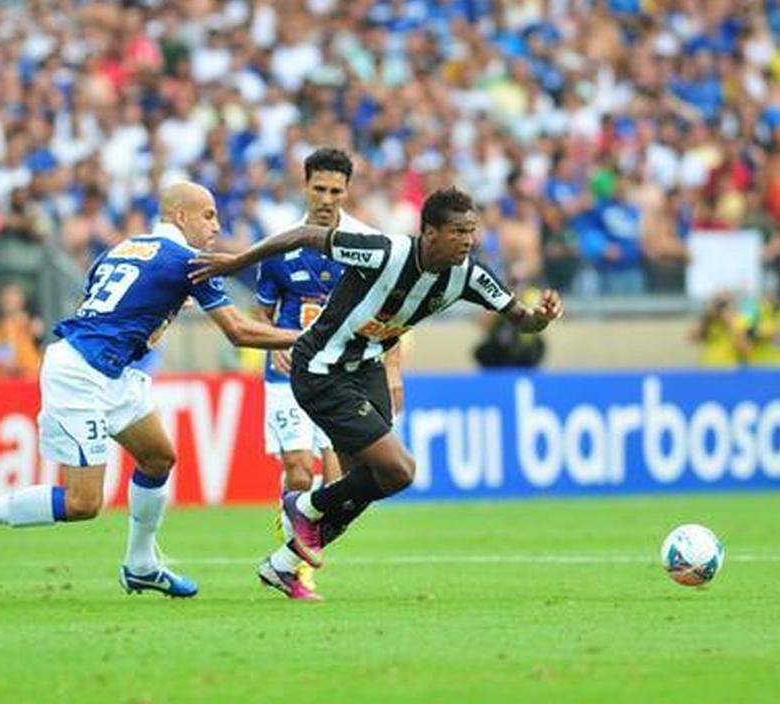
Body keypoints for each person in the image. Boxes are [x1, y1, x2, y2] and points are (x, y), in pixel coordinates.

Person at [190, 187, 563, 600]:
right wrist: (238, 263)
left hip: (367, 370)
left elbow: (520, 319)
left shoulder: (469, 275)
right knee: (399, 470)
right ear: (430, 232)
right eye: (458, 232)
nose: (468, 241)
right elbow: (303, 236)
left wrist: (541, 319)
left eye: (472, 232)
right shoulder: (385, 252)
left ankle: (283, 563)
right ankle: (305, 507)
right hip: (320, 369)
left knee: (363, 484)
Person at [0, 182, 300, 596]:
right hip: (82, 374)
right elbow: (238, 331)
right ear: (180, 216)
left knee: (158, 458)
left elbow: (111, 301)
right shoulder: (190, 261)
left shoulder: (124, 248)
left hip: (110, 371)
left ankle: (141, 565)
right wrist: (309, 336)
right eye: (208, 215)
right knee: (83, 503)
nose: (217, 225)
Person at [253, 147, 403, 593]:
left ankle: (292, 564)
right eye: (319, 188)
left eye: (336, 190)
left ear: (347, 191)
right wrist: (273, 344)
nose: (326, 197)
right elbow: (261, 313)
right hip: (288, 372)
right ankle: (290, 546)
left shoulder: (368, 245)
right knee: (299, 468)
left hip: (342, 374)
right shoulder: (279, 245)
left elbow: (390, 314)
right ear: (305, 187)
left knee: (337, 483)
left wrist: (393, 370)